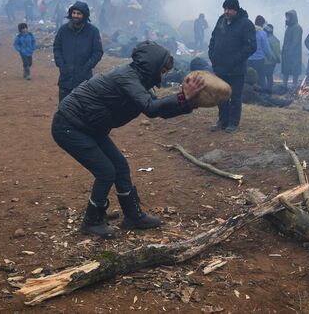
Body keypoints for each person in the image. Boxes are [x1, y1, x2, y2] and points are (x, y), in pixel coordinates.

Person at [52, 41, 205, 238]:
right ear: (152, 66)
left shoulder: (137, 80)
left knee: (120, 167)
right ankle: (91, 221)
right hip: (69, 126)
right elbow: (150, 107)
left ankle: (133, 216)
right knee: (106, 171)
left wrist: (188, 104)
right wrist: (182, 97)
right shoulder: (127, 77)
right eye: (163, 70)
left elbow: (158, 110)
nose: (164, 75)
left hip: (90, 128)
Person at [208, 0, 256, 133]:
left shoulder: (246, 24)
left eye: (229, 9)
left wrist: (234, 60)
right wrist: (212, 55)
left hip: (236, 69)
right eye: (224, 9)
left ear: (236, 9)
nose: (226, 11)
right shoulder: (221, 20)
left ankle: (233, 123)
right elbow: (213, 38)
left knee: (234, 97)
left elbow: (251, 46)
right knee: (221, 96)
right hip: (220, 68)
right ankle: (222, 122)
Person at [53, 1, 104, 102]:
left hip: (84, 79)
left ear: (84, 15)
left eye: (79, 13)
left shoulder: (93, 31)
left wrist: (87, 67)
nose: (75, 15)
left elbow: (98, 52)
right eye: (74, 13)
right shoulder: (63, 30)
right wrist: (62, 66)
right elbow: (57, 48)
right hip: (65, 78)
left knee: (83, 110)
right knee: (64, 109)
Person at [247, 15, 273, 90]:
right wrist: (270, 57)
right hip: (259, 61)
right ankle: (262, 94)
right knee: (261, 78)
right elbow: (266, 48)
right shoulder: (262, 33)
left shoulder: (249, 32)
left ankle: (250, 93)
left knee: (249, 78)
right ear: (262, 24)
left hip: (249, 60)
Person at [281, 10, 303, 90]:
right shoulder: (289, 27)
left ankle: (294, 86)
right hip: (287, 53)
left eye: (289, 17)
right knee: (286, 70)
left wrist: (289, 51)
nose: (287, 18)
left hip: (294, 54)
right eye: (287, 17)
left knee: (294, 71)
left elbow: (295, 42)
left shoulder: (297, 27)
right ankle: (284, 86)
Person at [262, 23, 281, 93]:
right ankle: (269, 90)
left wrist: (271, 57)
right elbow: (278, 52)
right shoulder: (276, 39)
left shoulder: (267, 40)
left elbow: (267, 51)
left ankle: (267, 90)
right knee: (270, 76)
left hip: (267, 61)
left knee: (265, 76)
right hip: (273, 62)